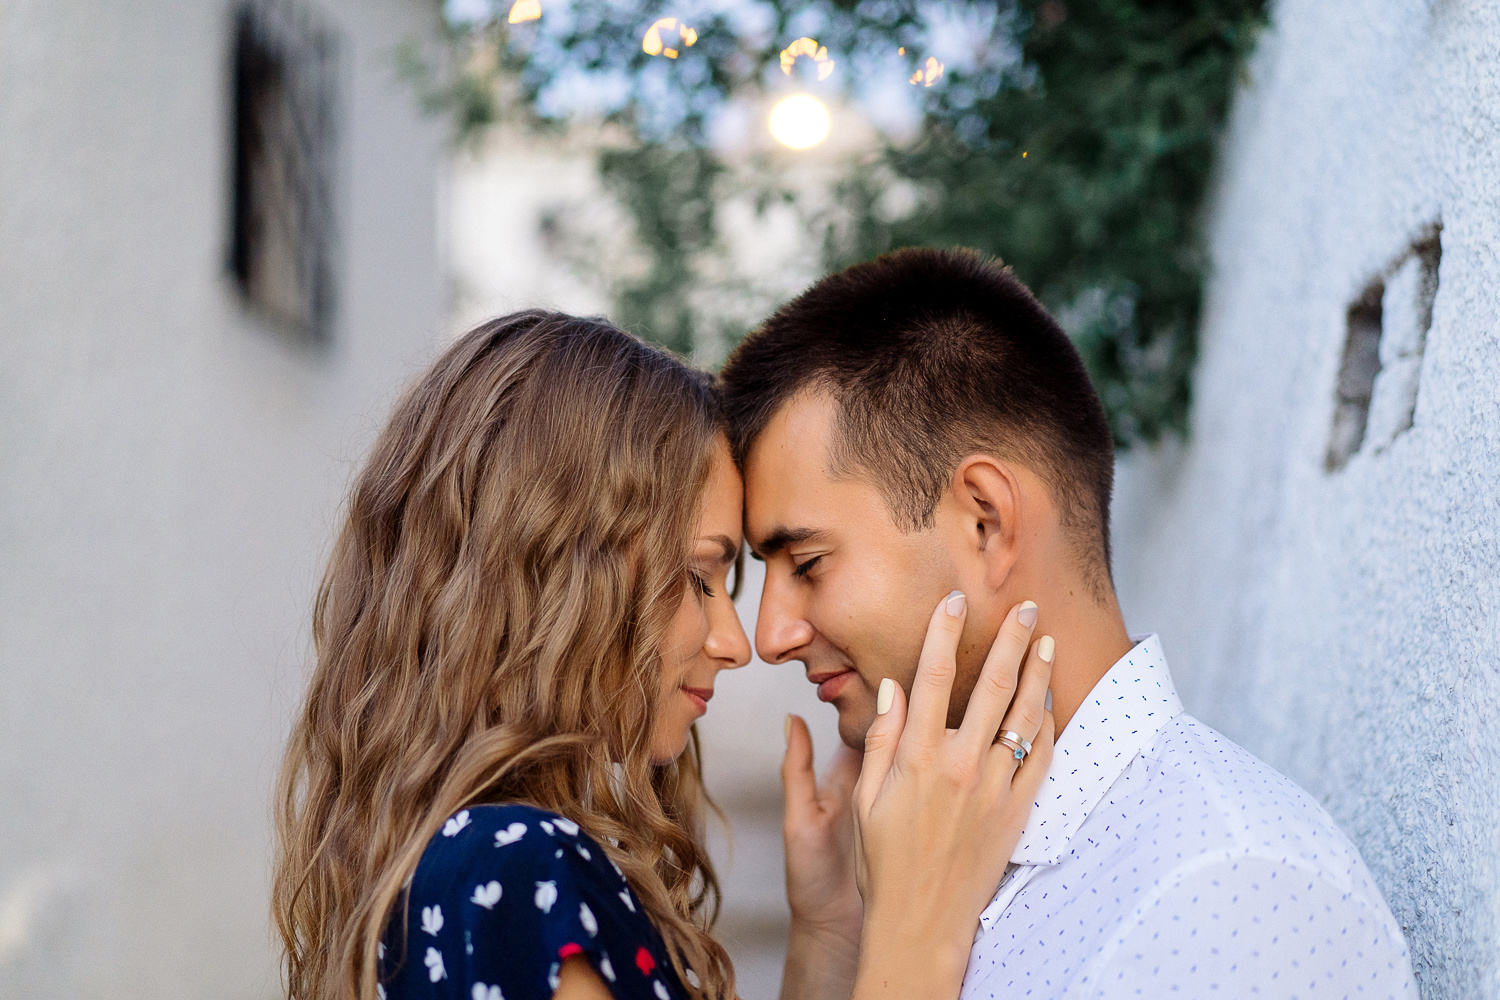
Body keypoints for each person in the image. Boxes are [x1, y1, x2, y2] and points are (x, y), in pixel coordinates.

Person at [271, 310, 1055, 1000]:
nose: (736, 643)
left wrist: (831, 931)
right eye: (698, 577)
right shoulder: (516, 871)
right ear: (557, 573)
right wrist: (915, 937)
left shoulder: (479, 865)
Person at [718, 247, 1420, 1000]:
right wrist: (840, 938)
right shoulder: (925, 867)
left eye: (807, 563)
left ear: (986, 521)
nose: (770, 636)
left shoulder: (1229, 893)